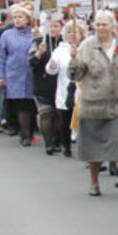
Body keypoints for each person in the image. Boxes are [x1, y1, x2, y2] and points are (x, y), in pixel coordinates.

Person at [69, 10, 118, 199]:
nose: (100, 28)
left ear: (112, 25)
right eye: (97, 24)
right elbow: (76, 75)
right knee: (94, 147)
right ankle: (94, 182)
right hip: (93, 105)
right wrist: (74, 60)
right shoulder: (86, 46)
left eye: (104, 24)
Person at [0, 3, 36, 147]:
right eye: (15, 17)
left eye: (21, 17)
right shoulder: (7, 35)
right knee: (21, 105)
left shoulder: (35, 33)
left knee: (31, 105)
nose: (17, 20)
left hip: (31, 74)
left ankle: (30, 131)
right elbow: (1, 56)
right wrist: (0, 75)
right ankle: (24, 134)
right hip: (13, 73)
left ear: (28, 19)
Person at [46, 19, 85, 158]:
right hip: (65, 89)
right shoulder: (60, 50)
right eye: (68, 32)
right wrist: (51, 66)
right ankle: (65, 145)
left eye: (75, 32)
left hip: (82, 90)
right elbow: (52, 70)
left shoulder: (86, 48)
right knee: (64, 120)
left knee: (82, 121)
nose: (71, 35)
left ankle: (83, 148)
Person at [29, 13, 63, 156]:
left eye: (56, 26)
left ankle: (57, 141)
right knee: (46, 114)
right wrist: (38, 54)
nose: (53, 29)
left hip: (60, 85)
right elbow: (30, 63)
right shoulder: (39, 42)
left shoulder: (64, 42)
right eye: (50, 26)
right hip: (43, 83)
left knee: (58, 116)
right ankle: (48, 144)